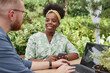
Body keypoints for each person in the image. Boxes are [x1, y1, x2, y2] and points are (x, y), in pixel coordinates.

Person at [0, 0, 76, 73]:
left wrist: (52, 64)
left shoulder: (4, 37)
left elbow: (21, 62)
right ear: (12, 14)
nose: (23, 17)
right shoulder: (1, 41)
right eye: (23, 13)